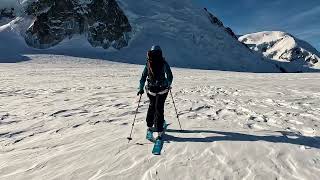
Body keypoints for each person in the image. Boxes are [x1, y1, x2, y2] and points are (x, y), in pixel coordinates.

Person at [137, 45, 173, 141]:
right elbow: (170, 76)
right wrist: (168, 84)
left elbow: (143, 77)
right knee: (159, 108)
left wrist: (140, 89)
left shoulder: (148, 63)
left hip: (151, 90)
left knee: (152, 106)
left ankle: (149, 125)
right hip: (162, 90)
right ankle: (159, 130)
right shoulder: (163, 63)